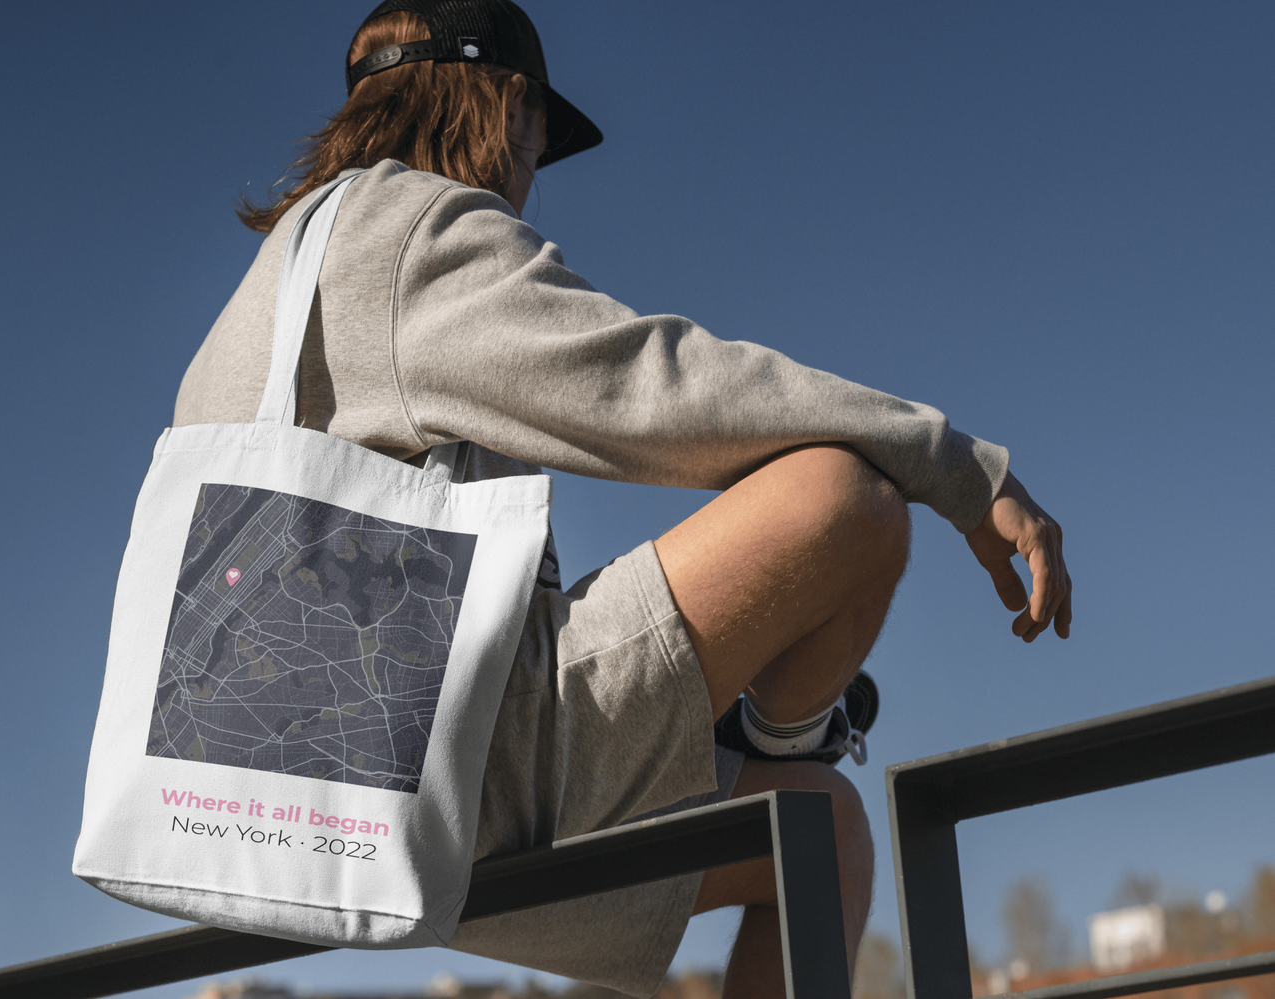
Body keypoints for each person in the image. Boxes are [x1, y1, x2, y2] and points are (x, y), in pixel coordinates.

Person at [174, 1, 1072, 996]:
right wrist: (958, 468)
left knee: (821, 827)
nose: (529, 179)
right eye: (539, 142)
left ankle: (787, 743)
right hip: (459, 773)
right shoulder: (409, 233)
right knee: (848, 497)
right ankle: (787, 728)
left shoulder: (254, 301)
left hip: (278, 803)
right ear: (508, 104)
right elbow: (654, 390)